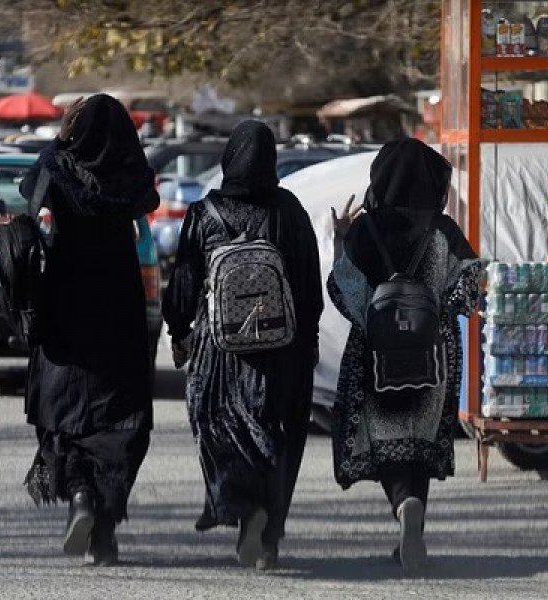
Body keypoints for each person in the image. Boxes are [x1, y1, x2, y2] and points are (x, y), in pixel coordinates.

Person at [163, 120, 323, 571]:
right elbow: (308, 285)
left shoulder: (204, 213)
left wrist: (179, 332)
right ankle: (269, 534)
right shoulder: (289, 211)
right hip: (280, 351)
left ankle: (241, 509)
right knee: (278, 437)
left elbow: (185, 284)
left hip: (221, 354)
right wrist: (308, 341)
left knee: (219, 429)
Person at [327, 138, 481, 574]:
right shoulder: (444, 231)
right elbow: (469, 292)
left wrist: (342, 240)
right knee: (420, 439)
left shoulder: (364, 230)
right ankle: (413, 518)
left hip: (377, 356)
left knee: (387, 437)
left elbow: (344, 291)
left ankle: (401, 504)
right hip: (434, 355)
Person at [19, 94, 160, 566]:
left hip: (65, 299)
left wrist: (59, 141)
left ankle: (80, 495)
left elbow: (29, 185)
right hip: (118, 301)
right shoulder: (131, 175)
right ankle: (103, 531)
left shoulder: (60, 169)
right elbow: (148, 196)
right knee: (120, 415)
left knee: (65, 411)